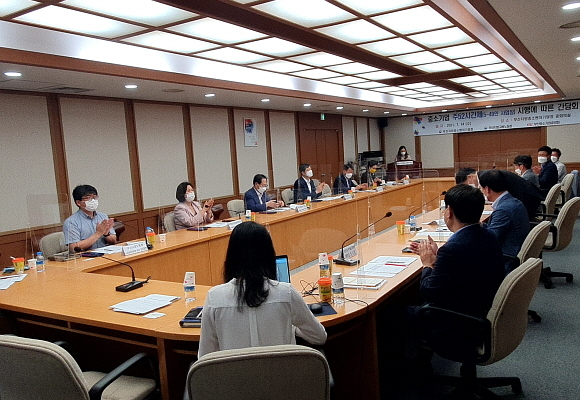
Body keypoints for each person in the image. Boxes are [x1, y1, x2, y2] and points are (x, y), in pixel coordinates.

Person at [198, 222, 327, 358]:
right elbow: (319, 337)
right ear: (269, 255)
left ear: (231, 257)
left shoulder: (214, 298)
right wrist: (291, 327)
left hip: (235, 373)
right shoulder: (286, 293)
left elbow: (204, 357)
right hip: (282, 372)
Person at [408, 184, 505, 361]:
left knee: (390, 313)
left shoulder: (453, 249)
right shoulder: (488, 235)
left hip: (457, 322)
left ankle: (410, 367)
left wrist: (428, 263)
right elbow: (466, 267)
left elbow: (429, 293)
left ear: (449, 212)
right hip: (479, 308)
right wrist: (439, 257)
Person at [478, 170, 530, 273]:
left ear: (487, 189)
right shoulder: (513, 201)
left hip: (505, 260)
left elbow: (490, 241)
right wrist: (479, 224)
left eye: (481, 188)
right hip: (513, 251)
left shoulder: (503, 210)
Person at [63, 184, 116, 251]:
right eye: (88, 198)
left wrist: (106, 234)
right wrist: (98, 233)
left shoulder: (103, 216)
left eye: (94, 197)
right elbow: (74, 248)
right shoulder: (71, 222)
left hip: (105, 253)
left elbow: (113, 240)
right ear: (78, 203)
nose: (93, 200)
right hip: (85, 256)